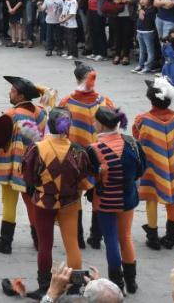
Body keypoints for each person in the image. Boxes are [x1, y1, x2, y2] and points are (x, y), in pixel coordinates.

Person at [19, 107, 96, 300]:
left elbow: (28, 177)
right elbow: (84, 176)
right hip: (70, 202)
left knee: (45, 244)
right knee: (72, 245)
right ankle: (76, 287)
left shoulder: (37, 148)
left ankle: (45, 286)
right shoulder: (78, 150)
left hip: (44, 202)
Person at [0, 75, 52, 255]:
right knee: (31, 203)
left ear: (21, 96)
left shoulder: (11, 115)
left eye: (13, 91)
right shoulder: (41, 112)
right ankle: (39, 241)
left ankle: (5, 243)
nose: (10, 93)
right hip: (33, 167)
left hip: (12, 166)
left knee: (9, 203)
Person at [132, 76, 174, 251]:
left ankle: (152, 236)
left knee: (151, 198)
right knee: (171, 200)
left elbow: (136, 135)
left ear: (150, 99)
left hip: (151, 167)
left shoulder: (142, 119)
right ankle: (171, 237)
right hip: (173, 166)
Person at [89, 106, 145, 294]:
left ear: (102, 125)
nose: (93, 124)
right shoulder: (133, 143)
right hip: (127, 198)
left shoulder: (94, 149)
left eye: (95, 121)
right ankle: (132, 282)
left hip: (105, 200)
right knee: (126, 237)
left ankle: (117, 283)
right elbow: (141, 170)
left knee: (111, 239)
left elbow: (90, 177)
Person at [61, 60, 115, 249]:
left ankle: (78, 238)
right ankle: (96, 236)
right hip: (99, 155)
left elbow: (59, 129)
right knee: (98, 192)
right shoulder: (105, 102)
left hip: (74, 156)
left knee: (76, 195)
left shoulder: (66, 103)